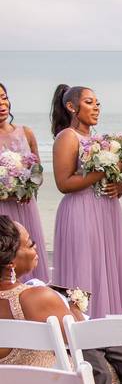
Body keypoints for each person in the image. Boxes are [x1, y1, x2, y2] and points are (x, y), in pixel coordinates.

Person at [0, 216, 122, 384]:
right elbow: (78, 339)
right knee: (97, 366)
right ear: (11, 263)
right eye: (30, 243)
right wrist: (72, 306)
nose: (36, 248)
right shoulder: (35, 297)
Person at [50, 84, 122, 365]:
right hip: (80, 212)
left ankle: (113, 342)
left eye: (98, 103)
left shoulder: (104, 142)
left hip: (107, 212)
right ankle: (85, 343)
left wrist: (119, 185)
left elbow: (119, 180)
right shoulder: (67, 137)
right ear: (72, 107)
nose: (96, 108)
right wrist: (97, 173)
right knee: (85, 272)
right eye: (90, 102)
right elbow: (63, 183)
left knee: (109, 270)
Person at [0, 81, 48, 281]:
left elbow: (38, 173)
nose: (2, 104)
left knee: (31, 257)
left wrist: (28, 187)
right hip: (2, 210)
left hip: (26, 207)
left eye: (3, 97)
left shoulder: (26, 133)